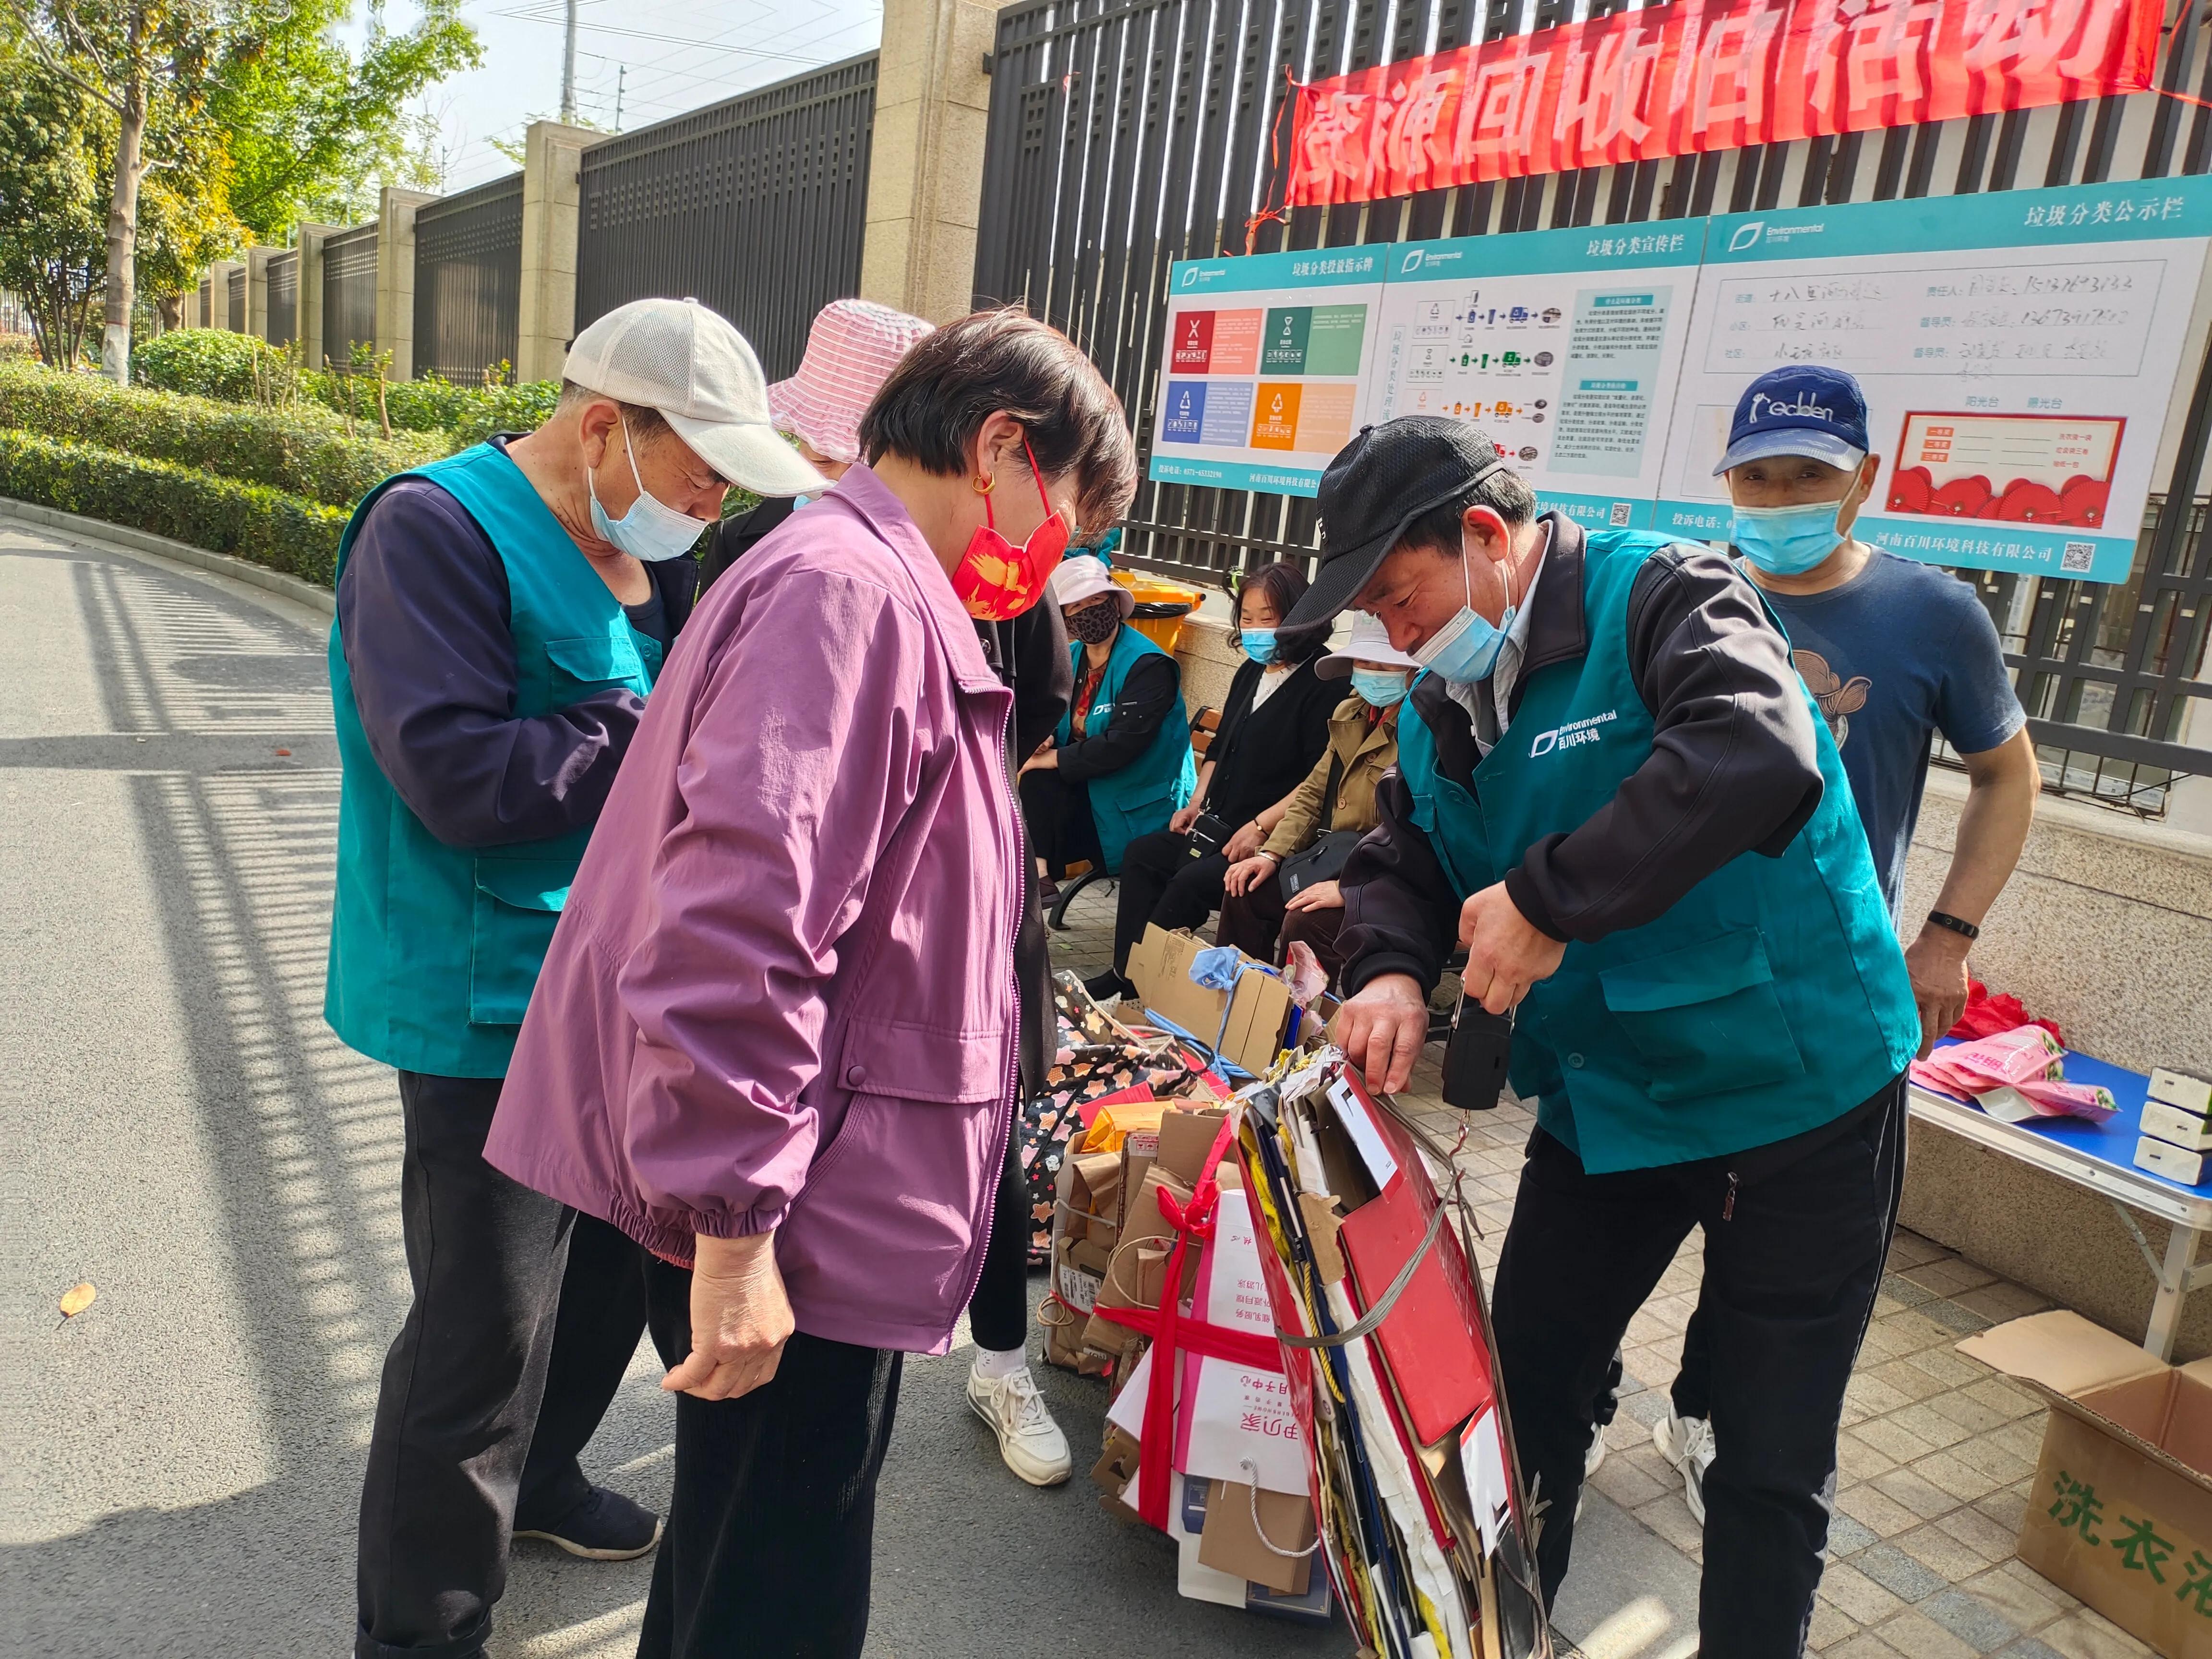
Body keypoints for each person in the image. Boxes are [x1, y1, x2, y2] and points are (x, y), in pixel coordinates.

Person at [480, 309, 1138, 1658]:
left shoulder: (866, 586)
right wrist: (735, 1231)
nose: (1058, 549)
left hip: (818, 1188)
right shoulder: (847, 596)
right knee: (774, 1593)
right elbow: (741, 928)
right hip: (795, 1208)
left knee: (743, 1570)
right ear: (1001, 446)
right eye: (1064, 510)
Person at [1303, 417, 1919, 1657]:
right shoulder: (1438, 704)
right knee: (1527, 1400)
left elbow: (1755, 749)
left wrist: (1544, 900)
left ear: (1483, 535)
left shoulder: (1665, 592)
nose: (1398, 633)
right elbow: (1404, 853)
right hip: (1607, 1106)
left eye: (1402, 595)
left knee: (1765, 1454)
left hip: (1794, 1095)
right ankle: (1507, 1639)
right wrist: (1383, 971)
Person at [329, 297, 826, 1659]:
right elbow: (455, 778)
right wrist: (653, 731)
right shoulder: (432, 531)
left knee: (605, 1277)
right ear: (606, 423)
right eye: (699, 470)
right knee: (478, 1335)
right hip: (479, 994)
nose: (711, 502)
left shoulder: (636, 545)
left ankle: (537, 1481)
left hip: (615, 985)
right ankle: (421, 1628)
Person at [1647, 366, 2038, 1522]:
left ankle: (1712, 1412)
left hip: (1835, 999)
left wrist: (1946, 939)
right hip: (1677, 979)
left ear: (1863, 479)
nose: (1778, 497)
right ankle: (1575, 1388)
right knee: (1623, 1204)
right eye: (1756, 475)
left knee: (1786, 1244)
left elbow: (2004, 777)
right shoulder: (1677, 591)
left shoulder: (1932, 615)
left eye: (1807, 475)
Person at [1082, 560, 1336, 1002]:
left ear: (1298, 617)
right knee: (1143, 855)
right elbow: (1219, 748)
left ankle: (1150, 984)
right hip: (1218, 823)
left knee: (1190, 882)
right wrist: (1195, 802)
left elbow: (1320, 777)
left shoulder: (1325, 680)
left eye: (1268, 619)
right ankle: (1128, 971)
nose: (1255, 629)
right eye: (1247, 618)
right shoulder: (1251, 671)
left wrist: (1262, 828)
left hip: (1273, 836)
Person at [1214, 612, 1414, 984]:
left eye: (1386, 664)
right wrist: (1271, 854)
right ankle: (1239, 1006)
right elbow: (1313, 791)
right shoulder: (1350, 711)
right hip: (1333, 857)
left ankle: (1299, 1031)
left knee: (1306, 922)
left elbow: (1413, 832)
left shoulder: (1424, 727)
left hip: (1386, 879)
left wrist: (1351, 891)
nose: (1374, 671)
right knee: (1245, 889)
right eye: (1365, 661)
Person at [698, 298, 935, 589]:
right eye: (824, 460)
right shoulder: (738, 542)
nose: (845, 484)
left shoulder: (946, 554)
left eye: (871, 469)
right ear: (798, 438)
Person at [1019, 552, 1195, 890]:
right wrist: (1045, 739)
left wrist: (1049, 758)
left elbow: (1123, 744)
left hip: (1138, 798)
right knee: (1033, 787)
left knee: (1038, 782)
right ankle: (1039, 880)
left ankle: (1036, 881)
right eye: (1076, 606)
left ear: (1115, 603)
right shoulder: (1071, 658)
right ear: (1065, 621)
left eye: (1097, 599)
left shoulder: (1149, 665)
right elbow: (1053, 716)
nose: (1089, 611)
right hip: (1094, 789)